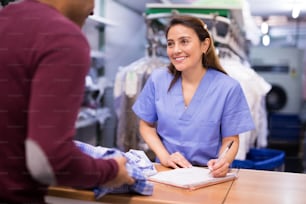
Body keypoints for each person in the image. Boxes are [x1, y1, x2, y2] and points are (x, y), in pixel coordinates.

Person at [0, 0, 134, 203]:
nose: (94, 6)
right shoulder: (61, 36)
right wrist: (111, 171)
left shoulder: (7, 18)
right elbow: (49, 159)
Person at [132, 15, 255, 178]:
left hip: (208, 175)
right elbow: (146, 125)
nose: (176, 50)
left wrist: (223, 161)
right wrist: (164, 156)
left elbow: (231, 139)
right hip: (167, 173)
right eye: (170, 43)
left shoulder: (228, 88)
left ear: (205, 45)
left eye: (184, 41)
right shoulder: (158, 79)